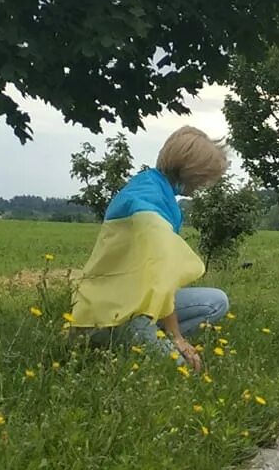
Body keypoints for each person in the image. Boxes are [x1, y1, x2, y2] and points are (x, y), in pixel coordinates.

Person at [71, 126, 231, 371]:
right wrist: (177, 337)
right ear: (192, 169)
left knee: (216, 301)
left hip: (131, 301)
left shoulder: (150, 188)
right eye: (205, 176)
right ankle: (117, 343)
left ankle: (140, 341)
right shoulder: (150, 206)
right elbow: (160, 280)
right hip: (117, 313)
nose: (205, 184)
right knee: (178, 370)